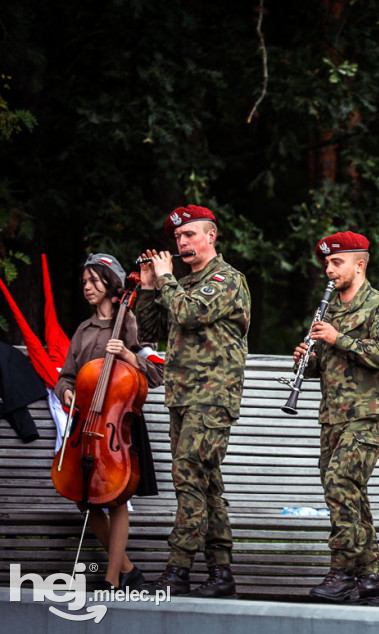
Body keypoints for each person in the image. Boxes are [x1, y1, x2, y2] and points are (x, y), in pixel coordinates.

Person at [136, 204, 250, 598]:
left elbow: (187, 315)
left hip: (211, 397)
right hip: (183, 398)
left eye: (188, 236)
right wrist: (150, 286)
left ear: (210, 237)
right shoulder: (180, 285)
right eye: (178, 238)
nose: (181, 244)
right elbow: (149, 330)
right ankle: (221, 575)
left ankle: (178, 570)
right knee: (207, 487)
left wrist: (166, 279)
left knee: (187, 478)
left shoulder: (226, 279)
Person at [296, 231, 379, 606]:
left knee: (340, 484)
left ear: (360, 264)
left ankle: (341, 572)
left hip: (366, 415)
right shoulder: (328, 310)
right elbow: (328, 364)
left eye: (336, 262)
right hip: (333, 418)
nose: (329, 270)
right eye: (326, 263)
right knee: (351, 496)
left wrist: (336, 338)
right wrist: (307, 360)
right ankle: (369, 577)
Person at [55, 253, 164, 592]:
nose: (87, 287)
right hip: (86, 425)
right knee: (82, 497)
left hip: (120, 425)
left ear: (112, 283)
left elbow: (158, 372)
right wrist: (66, 392)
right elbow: (66, 378)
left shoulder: (132, 321)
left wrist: (130, 356)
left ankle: (112, 577)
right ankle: (129, 568)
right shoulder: (84, 330)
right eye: (84, 282)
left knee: (116, 498)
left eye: (94, 281)